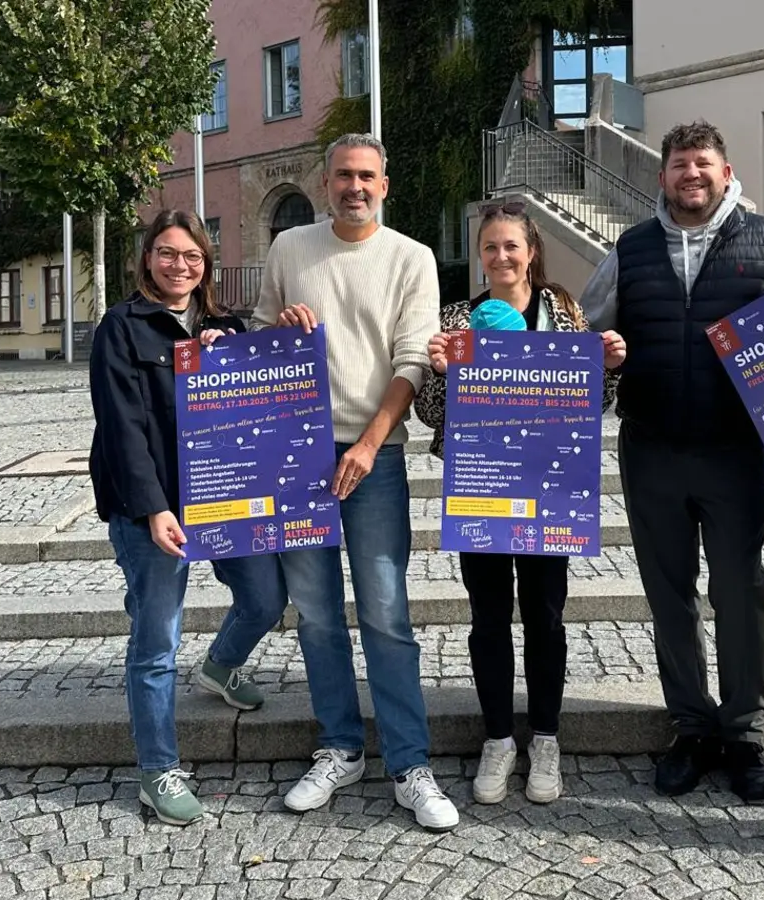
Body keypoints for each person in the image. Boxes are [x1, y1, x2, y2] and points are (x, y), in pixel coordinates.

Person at [578, 119, 764, 799]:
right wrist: (598, 351)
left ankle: (742, 731)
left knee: (739, 594)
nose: (692, 175)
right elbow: (586, 331)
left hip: (735, 450)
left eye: (703, 164)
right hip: (651, 448)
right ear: (663, 175)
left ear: (726, 170)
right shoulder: (629, 248)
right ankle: (689, 725)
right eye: (680, 164)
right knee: (670, 596)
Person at [250, 134, 458, 831]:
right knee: (313, 612)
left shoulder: (411, 257)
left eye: (367, 175)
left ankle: (409, 761)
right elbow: (258, 334)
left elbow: (412, 362)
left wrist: (371, 443)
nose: (354, 186)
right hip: (296, 455)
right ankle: (339, 746)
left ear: (384, 184)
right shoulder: (289, 249)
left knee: (386, 613)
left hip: (377, 457)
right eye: (343, 175)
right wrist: (277, 327)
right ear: (324, 180)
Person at [414, 199, 625, 805]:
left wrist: (609, 366)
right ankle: (498, 738)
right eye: (490, 247)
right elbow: (432, 416)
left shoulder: (566, 316)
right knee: (486, 618)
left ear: (531, 250)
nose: (500, 256)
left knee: (545, 615)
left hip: (549, 488)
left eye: (511, 245)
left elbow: (592, 405)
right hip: (482, 487)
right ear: (480, 256)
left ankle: (547, 736)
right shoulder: (458, 318)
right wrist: (439, 375)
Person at [88, 209, 291, 826]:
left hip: (222, 496)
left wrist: (243, 352)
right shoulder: (120, 328)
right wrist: (153, 508)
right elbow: (122, 428)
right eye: (168, 254)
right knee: (157, 640)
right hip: (149, 505)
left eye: (193, 257)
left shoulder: (224, 326)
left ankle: (222, 665)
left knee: (265, 596)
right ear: (147, 257)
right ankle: (158, 770)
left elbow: (262, 406)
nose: (180, 266)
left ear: (208, 265)